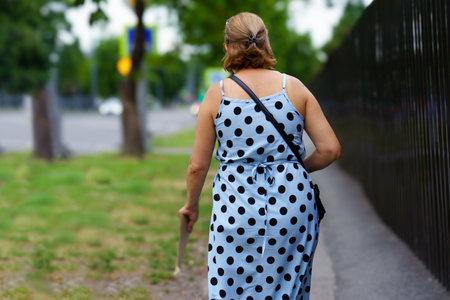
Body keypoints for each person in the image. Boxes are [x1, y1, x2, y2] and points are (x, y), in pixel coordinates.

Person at [179, 12, 341, 300]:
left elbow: (197, 166)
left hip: (235, 209)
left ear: (227, 47)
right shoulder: (293, 88)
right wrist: (294, 168)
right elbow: (330, 149)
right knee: (286, 290)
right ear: (266, 44)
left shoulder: (217, 95)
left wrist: (191, 206)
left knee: (232, 290)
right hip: (293, 208)